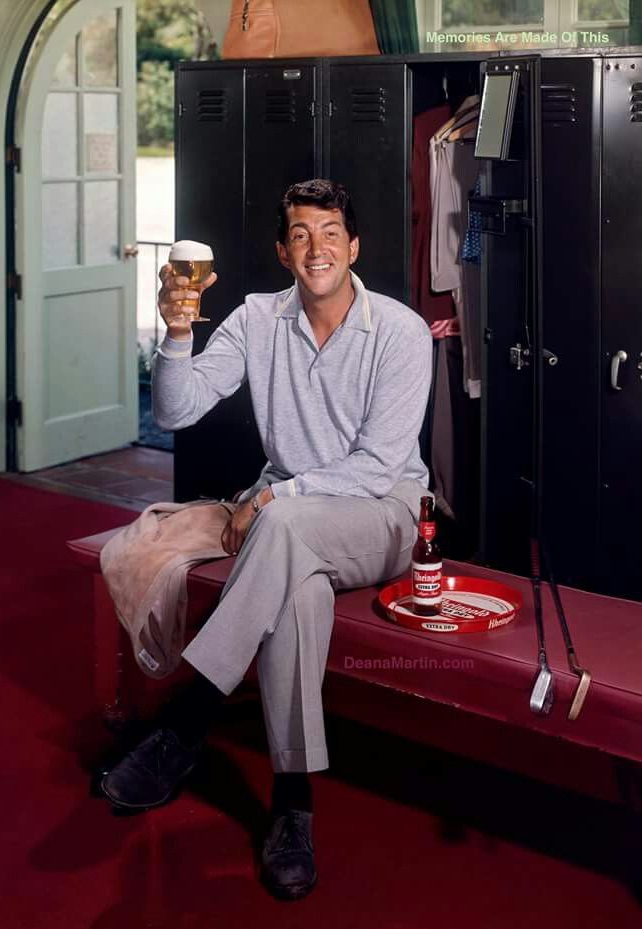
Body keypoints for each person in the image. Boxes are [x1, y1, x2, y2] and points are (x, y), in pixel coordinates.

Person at [101, 179, 433, 900]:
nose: (318, 247)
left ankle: (185, 720)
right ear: (284, 252)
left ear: (355, 246)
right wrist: (179, 331)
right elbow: (178, 408)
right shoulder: (256, 319)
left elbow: (380, 465)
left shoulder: (402, 332)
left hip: (383, 514)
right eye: (302, 235)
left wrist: (277, 495)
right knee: (296, 592)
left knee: (279, 525)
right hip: (294, 531)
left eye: (331, 231)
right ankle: (293, 805)